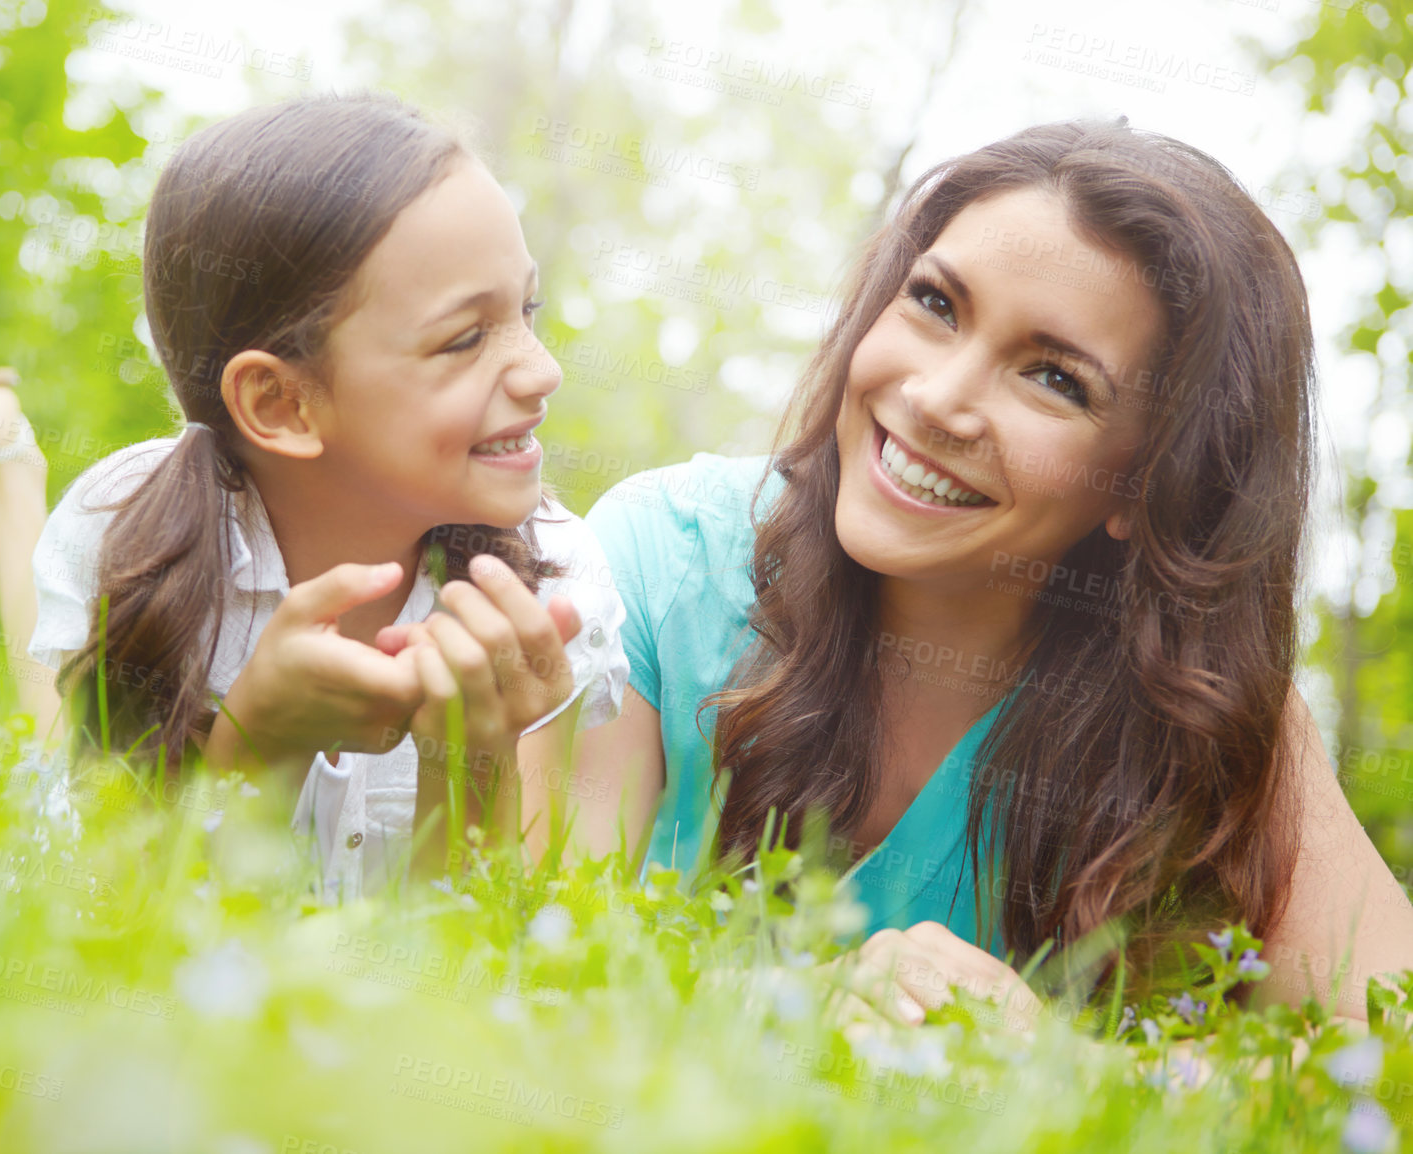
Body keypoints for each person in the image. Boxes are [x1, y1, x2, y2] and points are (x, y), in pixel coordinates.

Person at [575, 119, 1413, 1024]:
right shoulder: (660, 566)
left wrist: (1063, 1066)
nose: (935, 398)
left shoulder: (1206, 724)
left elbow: (1389, 1059)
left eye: (1054, 379)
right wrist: (789, 1010)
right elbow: (530, 958)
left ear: (1148, 485)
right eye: (936, 304)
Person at [0, 93, 629, 898]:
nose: (542, 369)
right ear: (283, 404)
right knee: (38, 748)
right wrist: (258, 744)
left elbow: (472, 963)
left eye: (526, 310)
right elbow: (116, 913)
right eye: (465, 338)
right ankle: (7, 468)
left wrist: (473, 763)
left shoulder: (551, 573)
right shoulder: (129, 528)